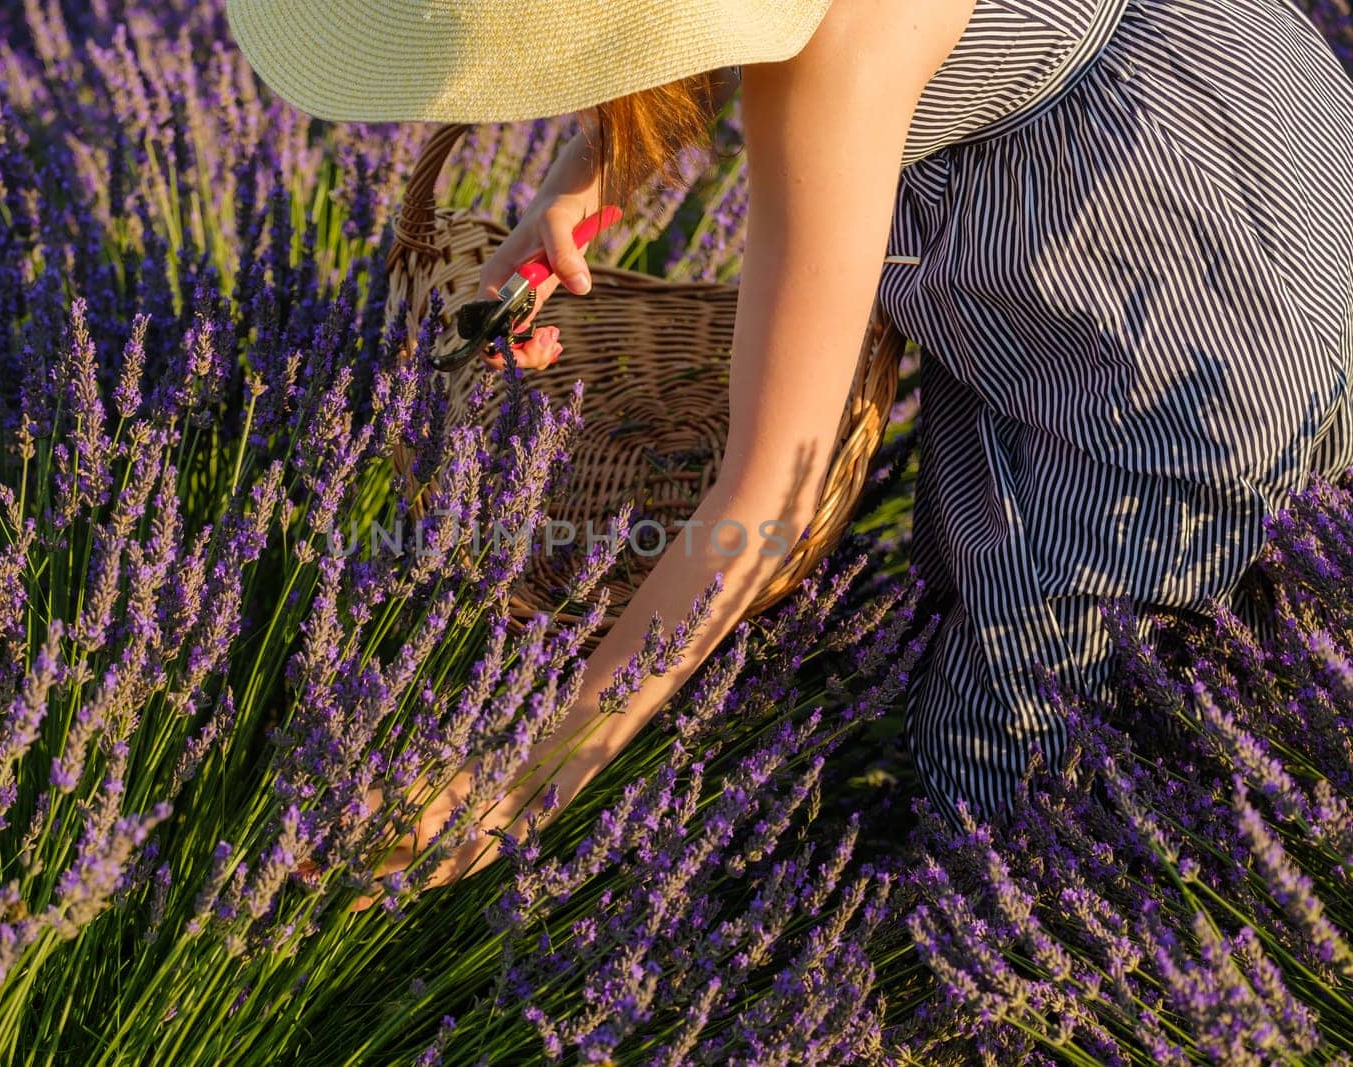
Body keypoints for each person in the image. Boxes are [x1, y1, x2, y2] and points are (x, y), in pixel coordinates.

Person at [227, 0, 1353, 905]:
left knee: (999, 759)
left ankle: (1008, 995)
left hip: (1183, 327)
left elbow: (766, 500)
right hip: (1263, 119)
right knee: (1061, 579)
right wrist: (597, 166)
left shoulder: (837, 61)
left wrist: (523, 776)